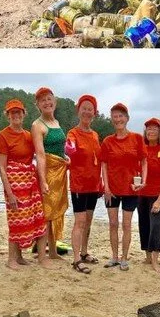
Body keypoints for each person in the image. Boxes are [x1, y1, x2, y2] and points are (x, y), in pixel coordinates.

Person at [0, 98, 47, 269]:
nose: (15, 115)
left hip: (29, 181)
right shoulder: (3, 135)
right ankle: (11, 258)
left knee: (33, 218)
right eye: (12, 112)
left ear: (23, 114)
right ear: (7, 115)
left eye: (18, 112)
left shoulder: (28, 135)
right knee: (16, 219)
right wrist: (9, 192)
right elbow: (2, 167)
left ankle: (19, 256)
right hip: (14, 183)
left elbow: (40, 155)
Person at [99, 103, 144, 271]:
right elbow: (103, 165)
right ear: (112, 120)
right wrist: (106, 187)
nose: (118, 119)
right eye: (115, 116)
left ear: (127, 118)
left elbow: (144, 160)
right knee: (112, 224)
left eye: (121, 116)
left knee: (126, 225)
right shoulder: (108, 141)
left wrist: (143, 181)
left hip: (131, 189)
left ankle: (124, 258)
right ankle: (114, 257)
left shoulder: (137, 138)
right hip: (112, 189)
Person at [30, 86, 70, 264]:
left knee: (55, 213)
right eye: (42, 100)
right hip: (47, 173)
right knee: (46, 213)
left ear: (55, 101)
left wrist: (65, 158)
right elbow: (40, 154)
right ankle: (42, 255)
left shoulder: (57, 122)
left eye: (49, 99)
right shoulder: (37, 125)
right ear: (38, 105)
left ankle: (53, 251)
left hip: (60, 173)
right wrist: (43, 180)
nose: (47, 102)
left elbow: (59, 149)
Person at [65, 94, 103, 274]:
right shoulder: (73, 133)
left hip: (94, 185)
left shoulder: (95, 135)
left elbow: (98, 160)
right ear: (78, 111)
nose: (87, 112)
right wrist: (69, 149)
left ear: (94, 113)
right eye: (84, 108)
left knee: (88, 220)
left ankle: (85, 251)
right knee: (79, 221)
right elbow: (69, 149)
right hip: (79, 184)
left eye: (90, 109)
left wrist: (101, 182)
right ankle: (76, 259)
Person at [137, 118, 160, 271]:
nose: (151, 131)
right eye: (148, 129)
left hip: (157, 194)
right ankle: (147, 257)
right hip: (141, 193)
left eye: (154, 129)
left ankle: (156, 260)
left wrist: (159, 200)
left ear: (159, 132)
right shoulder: (141, 148)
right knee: (143, 224)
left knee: (156, 226)